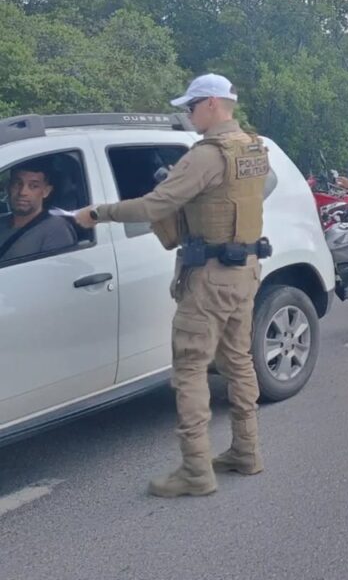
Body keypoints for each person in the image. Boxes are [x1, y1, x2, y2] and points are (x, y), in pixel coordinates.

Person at [75, 73, 271, 497]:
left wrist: (97, 213)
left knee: (189, 368)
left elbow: (155, 205)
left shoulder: (206, 155)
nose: (187, 114)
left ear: (213, 104)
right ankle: (247, 451)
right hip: (246, 270)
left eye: (192, 106)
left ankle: (196, 471)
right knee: (238, 361)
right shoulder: (253, 147)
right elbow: (259, 192)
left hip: (210, 278)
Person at [0, 158, 77, 263]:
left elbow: (55, 274)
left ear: (46, 191)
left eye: (33, 186)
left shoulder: (55, 229)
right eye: (17, 184)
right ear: (8, 187)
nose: (23, 192)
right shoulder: (2, 222)